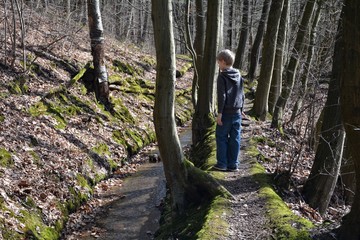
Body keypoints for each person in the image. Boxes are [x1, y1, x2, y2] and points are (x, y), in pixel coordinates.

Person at [213, 49, 245, 172]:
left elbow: (222, 96)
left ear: (223, 61)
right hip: (237, 112)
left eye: (218, 63)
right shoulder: (239, 75)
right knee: (235, 138)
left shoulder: (222, 77)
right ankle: (233, 164)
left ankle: (222, 164)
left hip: (225, 113)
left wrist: (219, 114)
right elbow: (242, 94)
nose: (218, 65)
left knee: (221, 137)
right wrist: (241, 108)